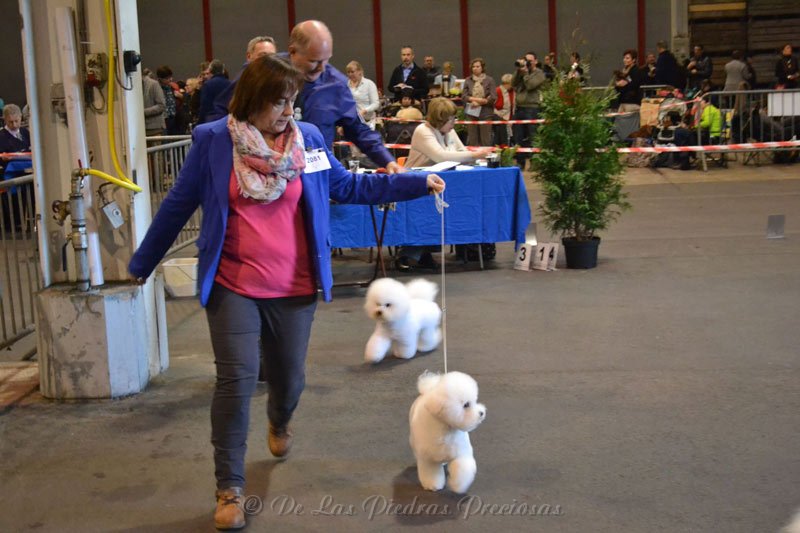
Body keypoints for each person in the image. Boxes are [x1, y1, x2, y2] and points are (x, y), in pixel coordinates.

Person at [127, 55, 445, 531]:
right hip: (234, 283)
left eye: (292, 101)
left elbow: (345, 186)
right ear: (252, 102)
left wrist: (414, 183)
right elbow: (178, 204)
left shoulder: (309, 141)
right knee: (236, 381)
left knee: (289, 379)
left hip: (295, 286)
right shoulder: (214, 141)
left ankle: (280, 419)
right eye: (279, 102)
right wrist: (141, 263)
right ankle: (229, 488)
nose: (287, 112)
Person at [287, 20, 401, 173]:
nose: (321, 68)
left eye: (326, 60)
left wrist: (387, 161)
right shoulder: (269, 74)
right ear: (293, 52)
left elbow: (357, 130)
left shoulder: (336, 85)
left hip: (316, 173)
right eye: (314, 61)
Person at [405, 97, 492, 168]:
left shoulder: (449, 130)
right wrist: (475, 155)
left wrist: (477, 157)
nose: (454, 122)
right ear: (439, 119)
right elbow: (441, 157)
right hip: (416, 179)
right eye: (450, 119)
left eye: (454, 118)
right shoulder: (422, 130)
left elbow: (462, 151)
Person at [211, 35, 277, 121]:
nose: (268, 59)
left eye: (272, 56)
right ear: (249, 56)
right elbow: (222, 107)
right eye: (262, 55)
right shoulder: (244, 80)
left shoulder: (275, 78)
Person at [511, 51, 546, 168]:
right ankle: (520, 162)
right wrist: (518, 71)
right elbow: (513, 83)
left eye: (530, 61)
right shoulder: (522, 72)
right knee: (518, 137)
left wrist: (526, 74)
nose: (528, 63)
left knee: (533, 136)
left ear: (535, 61)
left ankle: (534, 162)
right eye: (526, 60)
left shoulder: (539, 73)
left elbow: (531, 85)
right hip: (519, 108)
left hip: (532, 108)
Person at [463, 57, 496, 148]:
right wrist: (475, 100)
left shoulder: (490, 80)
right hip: (472, 112)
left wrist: (480, 102)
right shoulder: (468, 80)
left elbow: (493, 97)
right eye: (473, 67)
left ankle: (486, 160)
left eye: (478, 66)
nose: (475, 68)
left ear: (482, 68)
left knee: (485, 139)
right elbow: (464, 96)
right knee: (473, 139)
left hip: (486, 113)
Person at [345, 60, 380, 130]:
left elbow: (376, 104)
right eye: (348, 72)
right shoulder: (345, 85)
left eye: (352, 72)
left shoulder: (369, 84)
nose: (350, 74)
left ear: (360, 71)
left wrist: (365, 110)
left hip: (367, 122)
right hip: (351, 122)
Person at [198, 59, 230, 124]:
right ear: (223, 71)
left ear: (210, 71)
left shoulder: (207, 84)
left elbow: (205, 106)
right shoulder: (230, 84)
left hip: (212, 120)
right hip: (227, 119)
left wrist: (200, 122)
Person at [141, 69, 166, 136]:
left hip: (154, 129)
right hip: (141, 129)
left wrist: (142, 112)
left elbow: (161, 106)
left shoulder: (154, 84)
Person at [494, 73, 515, 146]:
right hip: (498, 116)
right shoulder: (497, 91)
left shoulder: (513, 92)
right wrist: (501, 118)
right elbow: (492, 107)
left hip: (510, 117)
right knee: (501, 130)